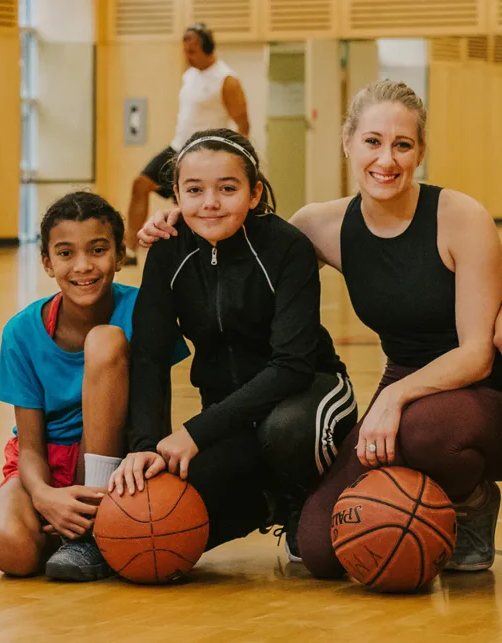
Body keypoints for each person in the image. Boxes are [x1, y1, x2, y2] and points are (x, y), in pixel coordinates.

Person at [138, 80, 502, 577]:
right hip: (408, 382)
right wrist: (184, 213)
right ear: (348, 143)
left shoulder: (461, 216)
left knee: (421, 434)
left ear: (419, 152)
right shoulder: (317, 225)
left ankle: (473, 497)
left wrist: (393, 399)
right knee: (322, 548)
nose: (386, 159)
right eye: (373, 141)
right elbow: (246, 237)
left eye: (403, 144)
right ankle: (291, 502)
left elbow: (477, 353)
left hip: (478, 386)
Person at [110, 129, 357, 561]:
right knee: (163, 518)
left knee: (285, 433)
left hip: (308, 397)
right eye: (194, 190)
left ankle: (305, 490)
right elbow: (149, 357)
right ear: (176, 195)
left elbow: (291, 365)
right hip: (231, 412)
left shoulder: (286, 248)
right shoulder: (167, 252)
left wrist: (194, 432)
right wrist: (145, 445)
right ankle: (267, 501)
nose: (210, 202)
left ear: (255, 192)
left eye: (227, 188)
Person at [0, 192, 188, 582]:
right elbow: (30, 446)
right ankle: (66, 527)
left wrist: (178, 217)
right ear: (48, 262)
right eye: (66, 253)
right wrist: (47, 497)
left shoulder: (145, 309)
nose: (83, 266)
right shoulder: (21, 331)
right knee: (10, 549)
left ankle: (92, 534)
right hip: (46, 463)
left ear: (119, 255)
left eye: (98, 250)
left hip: (117, 460)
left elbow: (157, 413)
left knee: (105, 339)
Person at [124, 23, 249, 265]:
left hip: (203, 154)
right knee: (140, 184)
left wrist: (234, 158)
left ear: (207, 49)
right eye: (185, 51)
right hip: (177, 147)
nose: (187, 57)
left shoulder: (226, 80)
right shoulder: (190, 75)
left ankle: (203, 254)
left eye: (192, 51)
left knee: (188, 204)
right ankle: (130, 250)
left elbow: (243, 123)